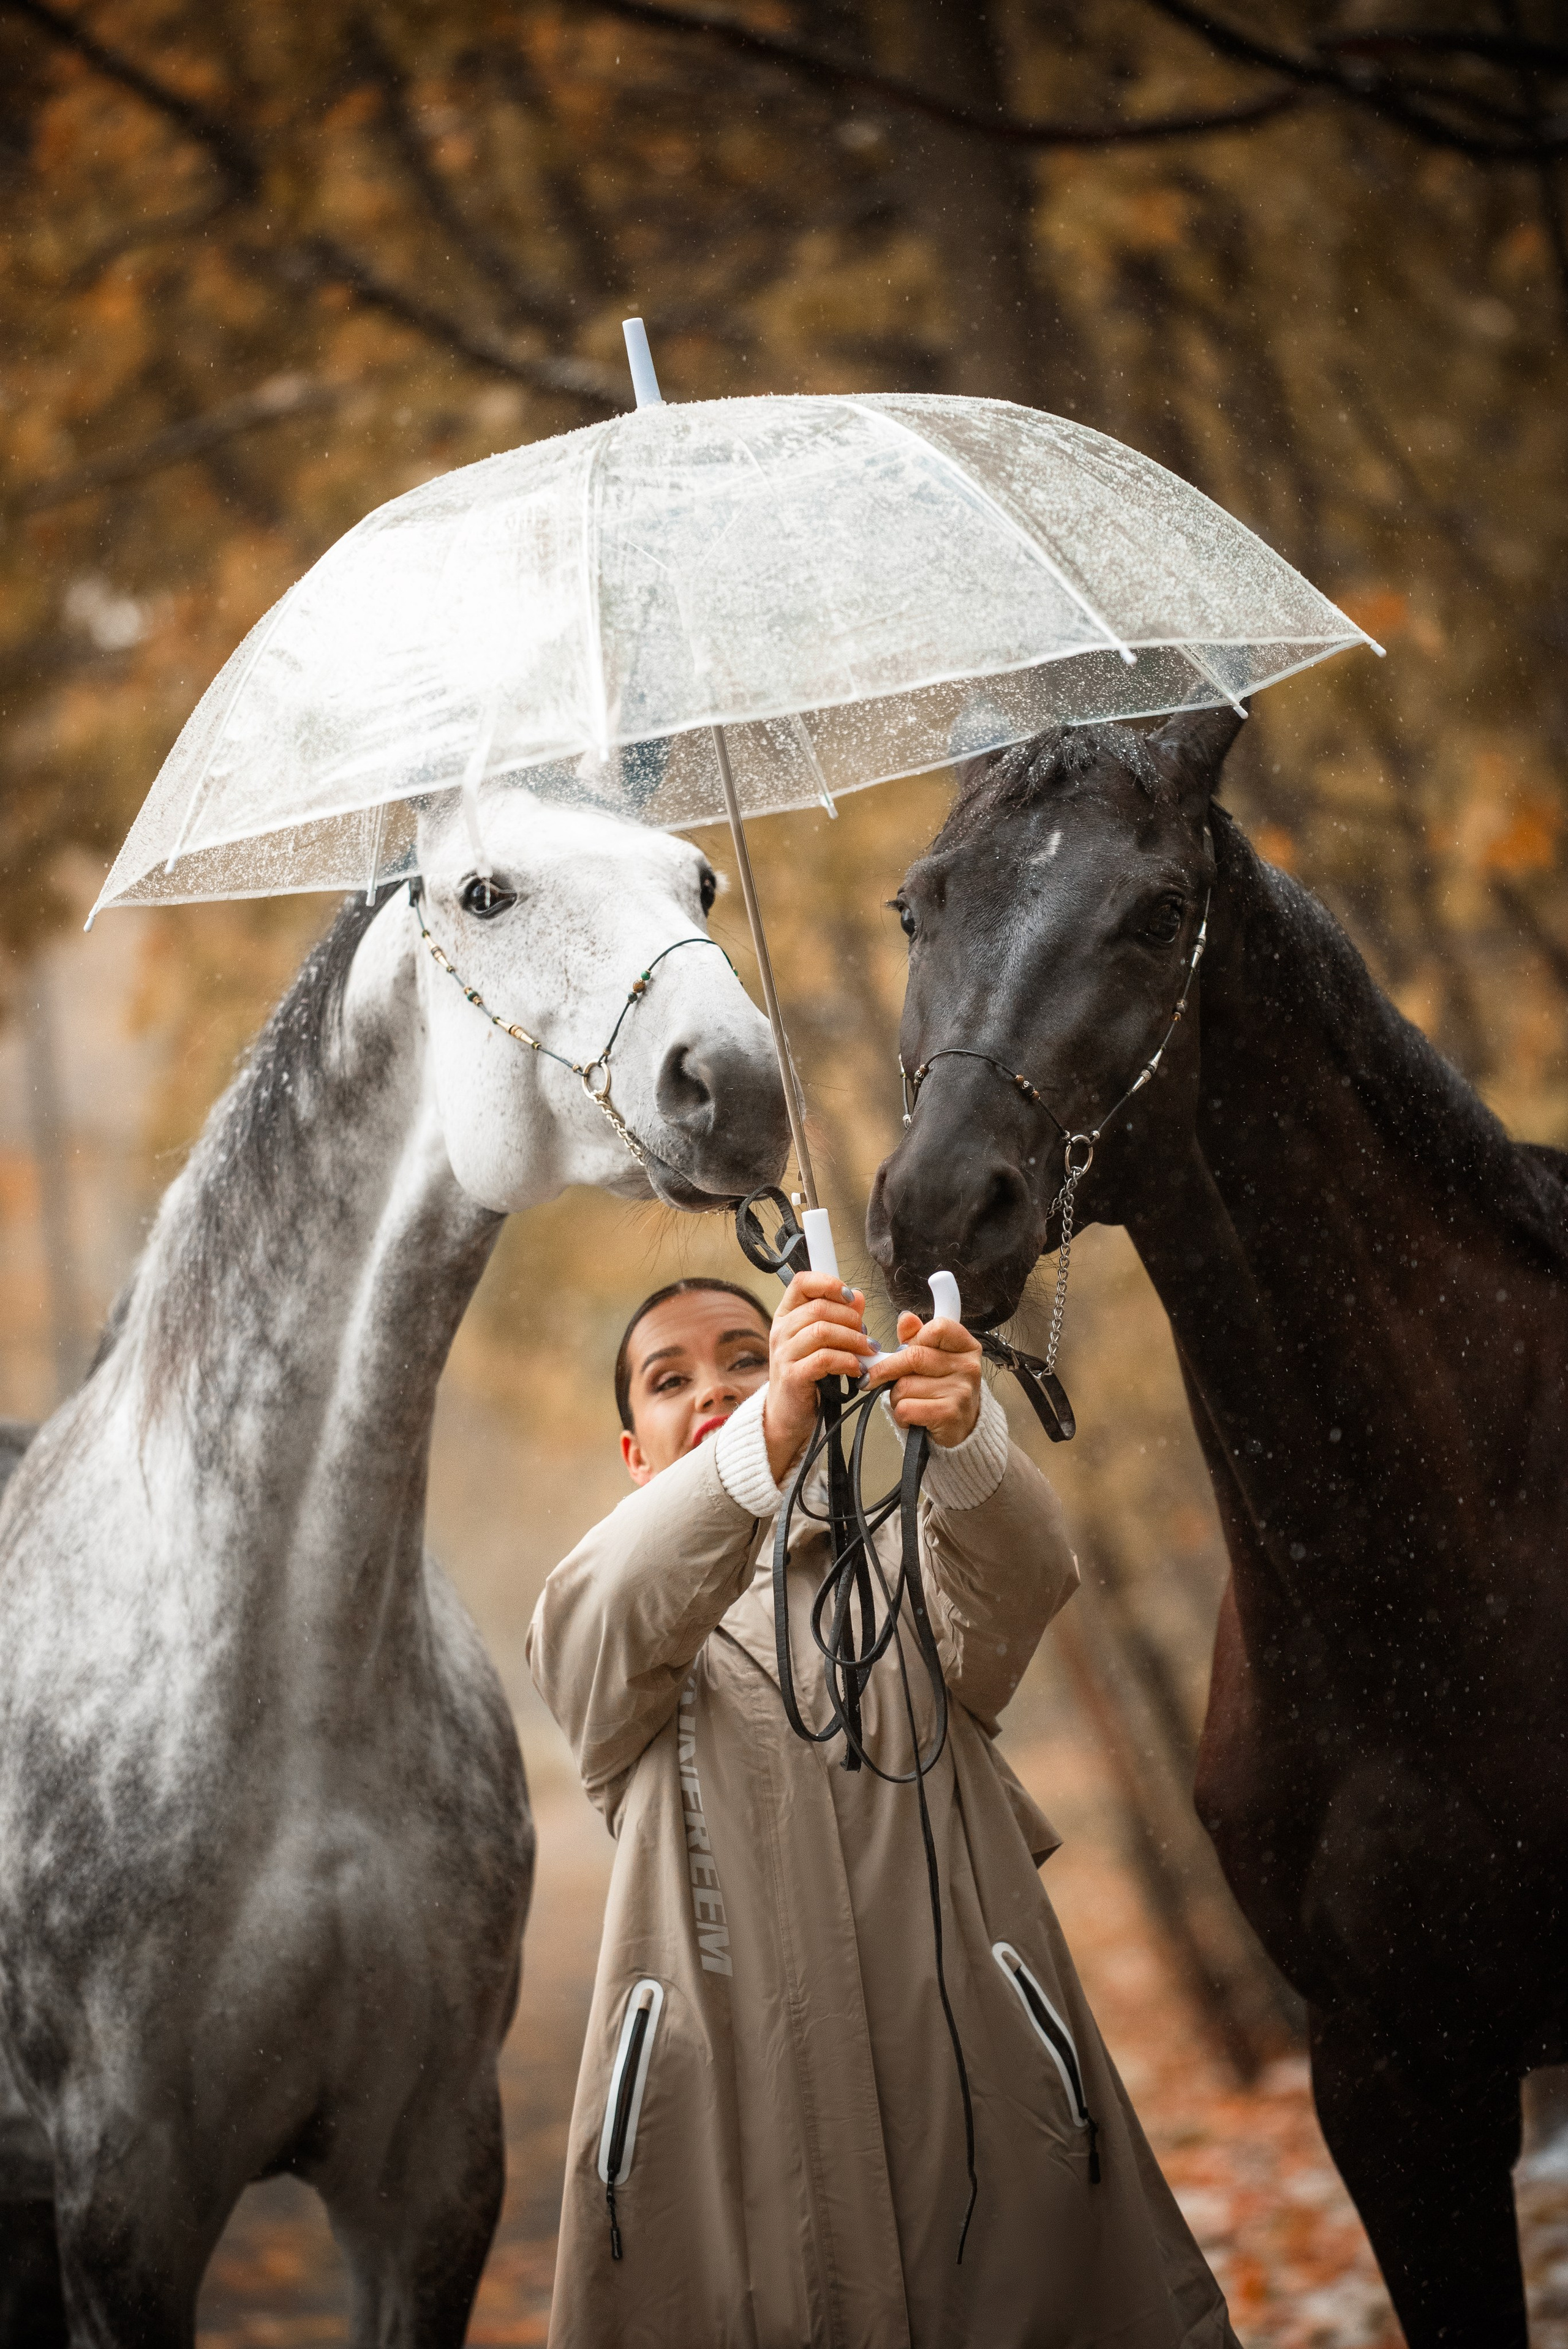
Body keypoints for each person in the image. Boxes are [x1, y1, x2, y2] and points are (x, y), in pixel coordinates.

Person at [527, 1269, 1238, 2348]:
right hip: (721, 2161)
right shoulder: (611, 1632)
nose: (714, 1388)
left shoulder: (902, 1573)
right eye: (670, 1380)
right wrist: (756, 1444)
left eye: (746, 1357)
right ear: (636, 1457)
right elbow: (608, 1606)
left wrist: (966, 1444)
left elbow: (1025, 1576)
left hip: (992, 2128)